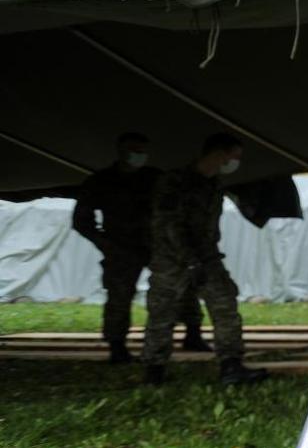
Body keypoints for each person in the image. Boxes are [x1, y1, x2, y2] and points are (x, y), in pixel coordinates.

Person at [143, 133, 268, 386]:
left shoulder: (214, 185)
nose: (235, 162)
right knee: (162, 313)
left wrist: (202, 258)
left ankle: (231, 366)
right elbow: (168, 225)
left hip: (206, 257)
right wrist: (189, 260)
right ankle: (154, 371)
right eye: (234, 156)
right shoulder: (175, 181)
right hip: (172, 260)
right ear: (218, 154)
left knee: (225, 305)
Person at [72, 131, 207, 363]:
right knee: (119, 296)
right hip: (121, 247)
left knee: (182, 286)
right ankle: (117, 346)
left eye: (142, 151)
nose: (138, 156)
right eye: (134, 151)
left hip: (158, 244)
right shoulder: (101, 181)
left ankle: (192, 333)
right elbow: (81, 220)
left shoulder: (154, 177)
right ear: (120, 151)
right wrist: (104, 243)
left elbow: (177, 205)